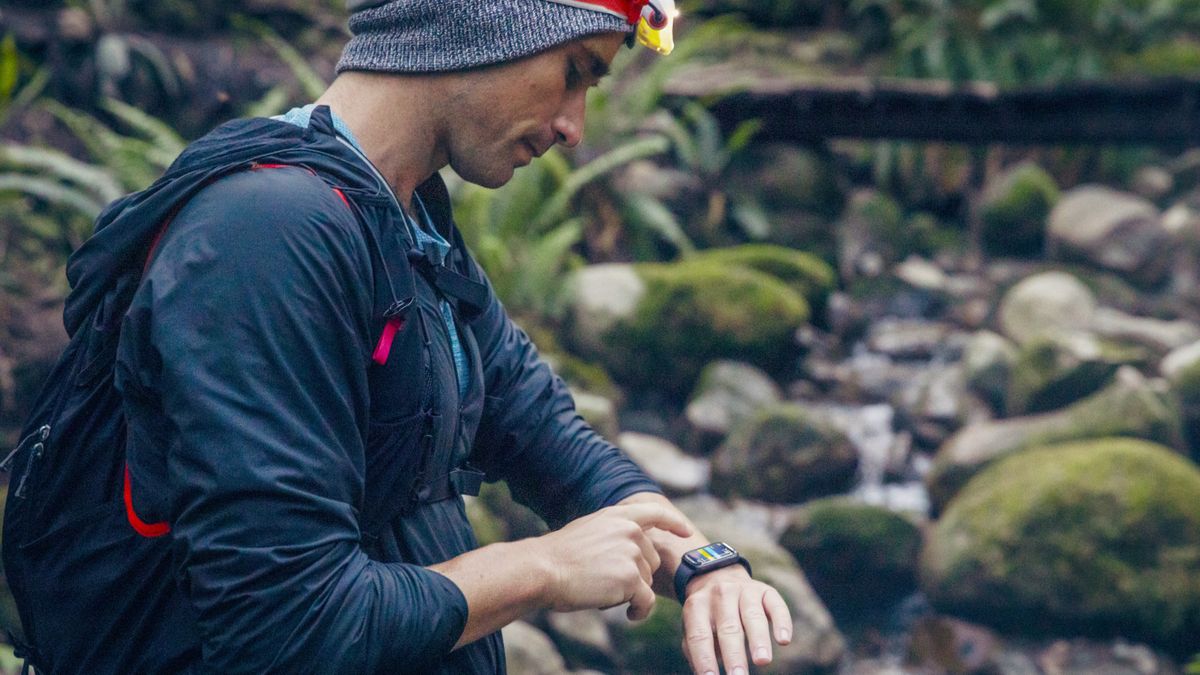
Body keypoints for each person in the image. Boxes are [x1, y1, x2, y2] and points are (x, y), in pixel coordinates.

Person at [59, 0, 792, 672]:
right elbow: (281, 622)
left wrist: (698, 557)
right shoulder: (264, 235)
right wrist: (542, 568)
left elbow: (534, 423)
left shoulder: (403, 214)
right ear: (483, 26)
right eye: (575, 72)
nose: (575, 127)